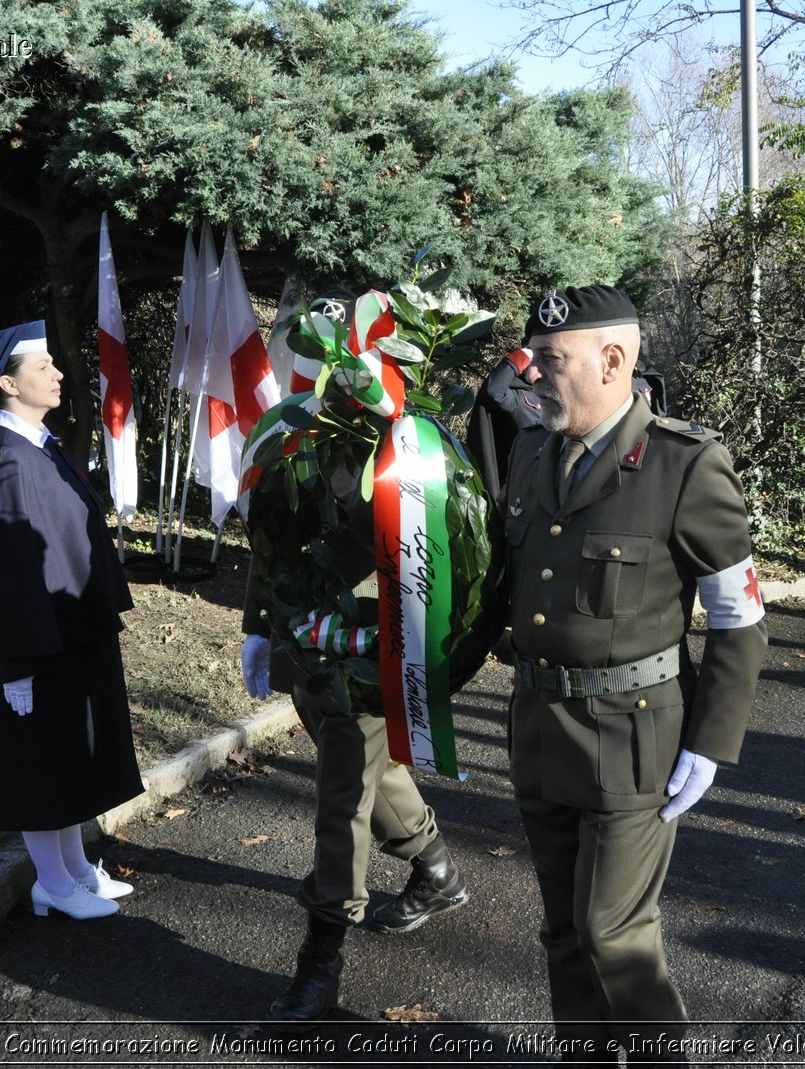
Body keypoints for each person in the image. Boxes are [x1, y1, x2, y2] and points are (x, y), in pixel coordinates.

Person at [501, 285, 767, 1062]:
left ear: (614, 360)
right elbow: (506, 590)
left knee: (611, 933)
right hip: (542, 731)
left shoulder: (685, 465)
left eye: (552, 360)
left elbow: (739, 616)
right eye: (534, 359)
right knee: (561, 930)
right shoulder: (530, 451)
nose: (534, 375)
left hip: (633, 740)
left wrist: (710, 742)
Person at [240, 504, 470, 1023]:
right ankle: (437, 870)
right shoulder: (305, 426)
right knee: (372, 772)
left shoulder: (412, 438)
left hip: (374, 646)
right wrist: (258, 621)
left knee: (342, 804)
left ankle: (320, 963)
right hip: (304, 641)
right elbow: (274, 521)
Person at [0, 321, 144, 922]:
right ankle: (52, 885)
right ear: (8, 383)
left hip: (72, 632)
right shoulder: (4, 464)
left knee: (71, 756)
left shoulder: (39, 446)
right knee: (41, 762)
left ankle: (77, 871)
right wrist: (17, 665)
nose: (58, 374)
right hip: (37, 642)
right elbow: (7, 575)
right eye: (43, 368)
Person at [465, 342, 542, 500]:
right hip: (519, 478)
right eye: (536, 362)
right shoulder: (519, 396)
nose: (541, 370)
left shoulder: (554, 396)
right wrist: (525, 354)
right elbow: (494, 391)